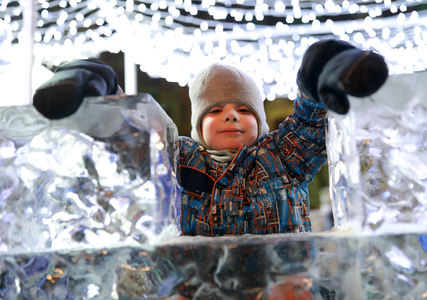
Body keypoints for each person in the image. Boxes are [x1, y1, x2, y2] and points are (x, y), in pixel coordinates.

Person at [33, 39, 388, 237]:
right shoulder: (176, 159)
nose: (231, 115)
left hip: (277, 286)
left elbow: (309, 125)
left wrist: (318, 77)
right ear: (197, 124)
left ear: (261, 123)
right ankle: (84, 81)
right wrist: (105, 95)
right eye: (215, 111)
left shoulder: (281, 157)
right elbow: (133, 139)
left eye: (244, 110)